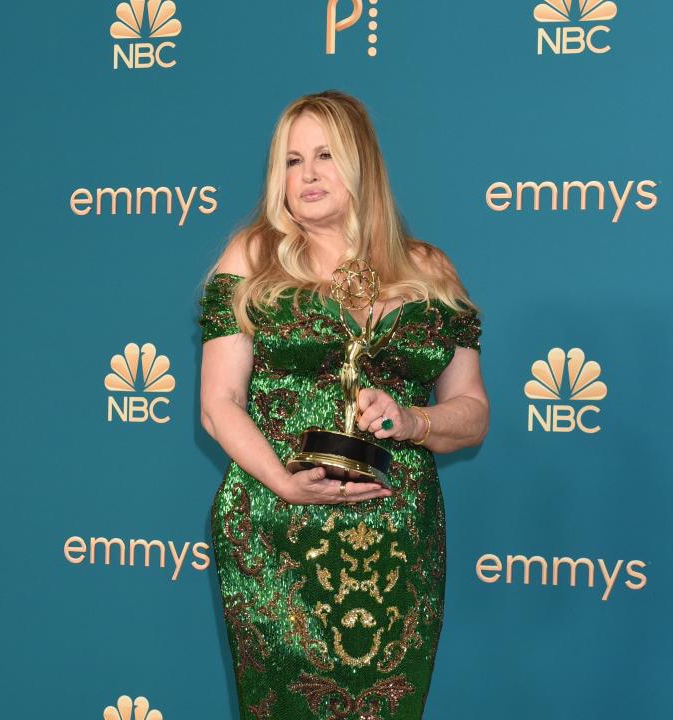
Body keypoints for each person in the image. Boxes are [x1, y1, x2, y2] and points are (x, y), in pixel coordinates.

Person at [198, 90, 488, 719]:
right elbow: (219, 405)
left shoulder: (429, 270)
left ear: (362, 164)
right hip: (274, 531)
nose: (306, 176)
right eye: (292, 160)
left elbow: (472, 410)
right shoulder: (252, 258)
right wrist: (283, 483)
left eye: (324, 155)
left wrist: (416, 421)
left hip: (397, 539)